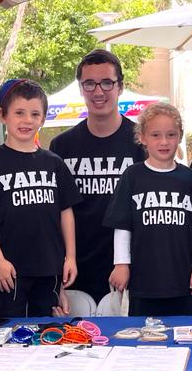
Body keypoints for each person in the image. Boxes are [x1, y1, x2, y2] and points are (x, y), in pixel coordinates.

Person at [0, 79, 80, 318]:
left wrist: (70, 257)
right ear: (2, 115)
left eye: (34, 114)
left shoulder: (54, 163)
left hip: (49, 266)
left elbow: (66, 212)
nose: (27, 120)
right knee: (12, 329)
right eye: (19, 113)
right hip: (10, 269)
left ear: (43, 118)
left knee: (46, 327)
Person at [50, 50, 146, 305]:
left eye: (106, 82)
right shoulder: (61, 147)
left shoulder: (142, 143)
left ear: (120, 87)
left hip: (129, 274)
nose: (98, 91)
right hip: (75, 274)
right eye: (89, 84)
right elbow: (52, 214)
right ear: (81, 89)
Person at [104, 103, 192, 316]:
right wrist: (121, 264)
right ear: (142, 137)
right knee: (144, 340)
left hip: (183, 281)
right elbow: (123, 226)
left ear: (179, 137)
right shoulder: (132, 176)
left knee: (184, 334)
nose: (164, 141)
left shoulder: (189, 178)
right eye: (156, 135)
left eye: (171, 134)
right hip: (144, 282)